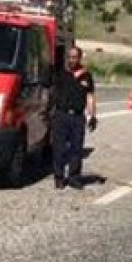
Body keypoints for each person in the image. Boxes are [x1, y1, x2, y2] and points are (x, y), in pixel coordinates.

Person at [51, 45, 97, 189]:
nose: (71, 60)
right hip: (61, 115)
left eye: (74, 57)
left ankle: (74, 177)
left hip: (77, 117)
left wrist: (92, 115)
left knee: (76, 148)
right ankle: (59, 177)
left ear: (79, 58)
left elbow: (90, 96)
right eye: (69, 57)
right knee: (59, 148)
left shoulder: (86, 75)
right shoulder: (60, 73)